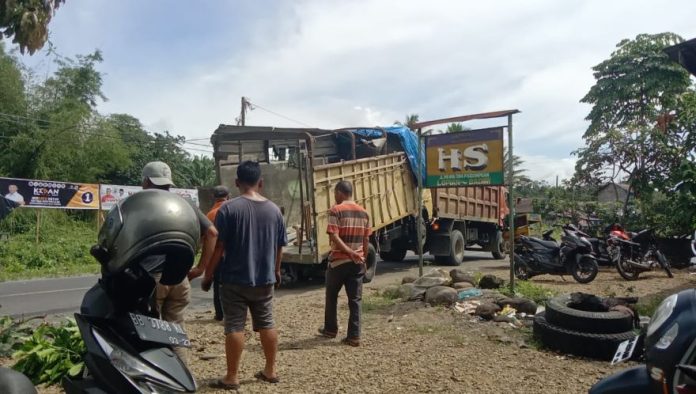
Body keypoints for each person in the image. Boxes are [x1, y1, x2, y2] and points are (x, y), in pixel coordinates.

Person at [202, 161, 286, 390]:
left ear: (237, 182)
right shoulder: (274, 210)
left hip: (234, 279)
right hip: (264, 279)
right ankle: (270, 370)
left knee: (235, 326)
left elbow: (219, 247)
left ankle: (232, 377)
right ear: (260, 182)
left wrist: (208, 274)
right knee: (267, 323)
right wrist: (276, 271)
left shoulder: (228, 209)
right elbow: (280, 246)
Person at [141, 161, 218, 363]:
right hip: (180, 278)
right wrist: (200, 267)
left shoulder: (142, 204)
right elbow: (212, 232)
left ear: (146, 181)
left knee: (149, 331)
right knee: (175, 330)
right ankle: (183, 377)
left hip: (152, 278)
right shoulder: (184, 205)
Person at [318, 180, 371, 347]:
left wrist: (348, 252)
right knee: (355, 300)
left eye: (335, 193)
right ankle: (354, 336)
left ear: (340, 192)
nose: (334, 196)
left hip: (338, 262)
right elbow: (366, 239)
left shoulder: (336, 210)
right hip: (357, 263)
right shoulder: (364, 213)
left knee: (331, 295)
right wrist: (363, 259)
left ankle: (330, 329)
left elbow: (333, 235)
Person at [189, 185, 229, 321]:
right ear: (228, 196)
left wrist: (204, 268)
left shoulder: (210, 215)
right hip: (234, 254)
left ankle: (220, 314)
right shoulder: (234, 210)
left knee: (218, 285)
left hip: (217, 254)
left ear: (213, 197)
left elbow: (208, 238)